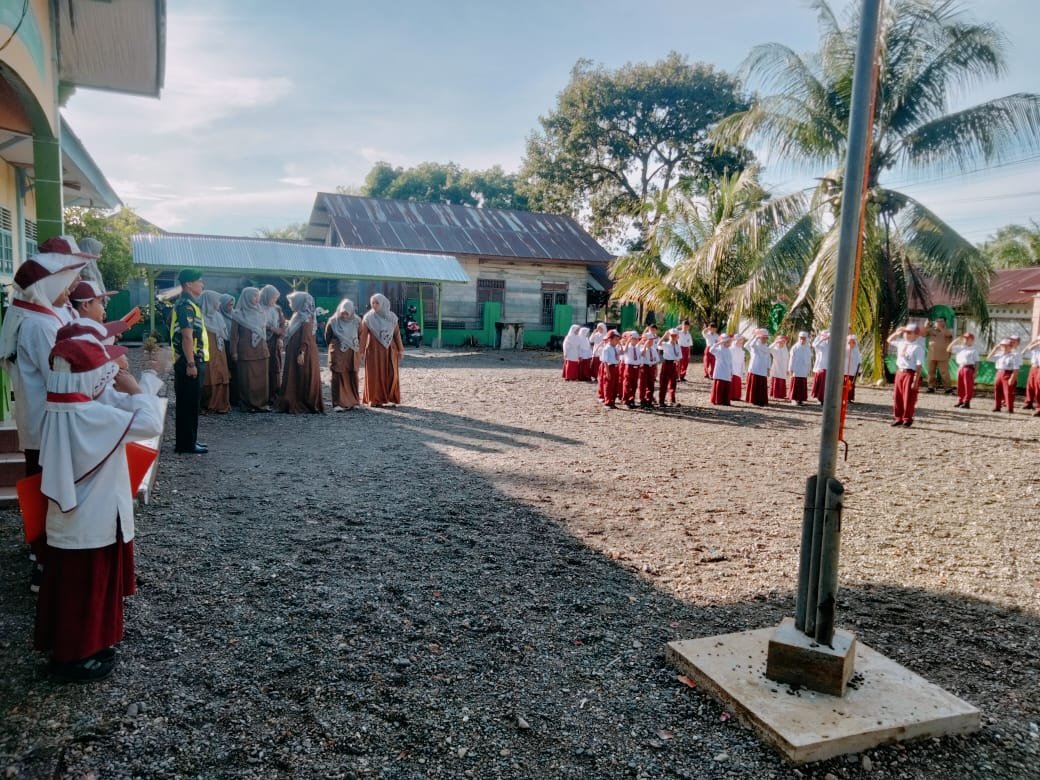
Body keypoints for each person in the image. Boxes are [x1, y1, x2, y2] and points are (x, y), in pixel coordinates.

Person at [35, 332, 163, 681]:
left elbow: (107, 402)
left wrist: (134, 384)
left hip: (74, 518)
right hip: (93, 516)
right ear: (86, 377)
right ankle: (73, 658)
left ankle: (79, 648)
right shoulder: (89, 414)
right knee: (86, 591)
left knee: (72, 588)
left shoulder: (64, 406)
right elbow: (150, 422)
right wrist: (135, 387)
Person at [169, 269, 208, 453]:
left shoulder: (190, 304)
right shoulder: (186, 306)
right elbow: (187, 336)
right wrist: (191, 363)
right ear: (188, 284)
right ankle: (186, 444)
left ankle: (189, 441)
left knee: (191, 404)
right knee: (188, 404)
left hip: (190, 360)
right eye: (199, 281)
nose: (202, 284)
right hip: (188, 362)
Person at [278, 291, 324, 414]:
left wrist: (301, 352)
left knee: (302, 374)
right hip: (295, 350)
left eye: (292, 302)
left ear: (300, 302)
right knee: (294, 374)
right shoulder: (298, 315)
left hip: (303, 351)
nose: (290, 304)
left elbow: (306, 336)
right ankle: (292, 399)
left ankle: (301, 401)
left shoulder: (306, 317)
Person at [229, 287, 271, 412]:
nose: (257, 298)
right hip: (246, 351)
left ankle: (261, 404)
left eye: (258, 296)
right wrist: (234, 352)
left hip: (261, 350)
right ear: (246, 297)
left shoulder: (261, 312)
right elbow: (234, 336)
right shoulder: (238, 314)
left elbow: (264, 333)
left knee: (262, 379)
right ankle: (248, 405)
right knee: (247, 379)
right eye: (254, 296)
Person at [360, 293, 403, 407]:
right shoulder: (368, 318)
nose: (374, 305)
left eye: (377, 303)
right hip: (374, 351)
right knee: (375, 374)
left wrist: (401, 350)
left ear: (383, 303)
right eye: (372, 303)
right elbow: (363, 336)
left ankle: (389, 397)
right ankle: (375, 399)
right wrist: (361, 352)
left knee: (391, 373)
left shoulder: (392, 317)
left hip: (390, 350)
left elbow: (397, 334)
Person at [325, 299, 362, 411]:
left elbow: (360, 335)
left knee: (352, 376)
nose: (345, 316)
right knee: (338, 376)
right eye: (343, 313)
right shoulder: (333, 321)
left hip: (352, 352)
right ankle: (338, 403)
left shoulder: (357, 321)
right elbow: (328, 336)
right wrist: (336, 346)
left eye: (347, 313)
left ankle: (354, 401)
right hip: (338, 352)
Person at [198, 290, 231, 414]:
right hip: (207, 351)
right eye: (216, 301)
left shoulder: (218, 316)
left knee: (221, 374)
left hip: (219, 350)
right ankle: (207, 404)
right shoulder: (200, 317)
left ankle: (220, 403)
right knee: (208, 375)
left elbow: (223, 333)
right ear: (209, 302)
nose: (218, 303)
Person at [887, 323, 924, 427]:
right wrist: (897, 332)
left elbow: (919, 365)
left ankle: (907, 418)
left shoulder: (917, 347)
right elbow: (889, 340)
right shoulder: (902, 343)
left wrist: (915, 380)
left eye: (909, 333)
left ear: (916, 335)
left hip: (910, 373)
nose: (906, 334)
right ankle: (898, 417)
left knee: (908, 397)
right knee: (897, 396)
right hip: (900, 372)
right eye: (906, 332)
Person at [260, 285, 285, 406]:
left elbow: (282, 325)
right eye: (272, 298)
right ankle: (262, 396)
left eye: (276, 298)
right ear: (266, 297)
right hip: (260, 341)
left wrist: (280, 336)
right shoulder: (257, 308)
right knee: (262, 369)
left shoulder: (277, 309)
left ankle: (274, 396)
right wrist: (269, 328)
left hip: (274, 342)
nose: (274, 301)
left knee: (275, 368)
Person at [948, 332, 979, 409]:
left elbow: (977, 362)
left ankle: (967, 402)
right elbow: (948, 349)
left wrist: (975, 372)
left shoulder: (973, 350)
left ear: (972, 340)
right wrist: (955, 341)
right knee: (960, 385)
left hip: (968, 368)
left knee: (968, 386)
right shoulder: (960, 347)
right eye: (965, 338)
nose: (966, 340)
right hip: (960, 367)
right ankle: (961, 400)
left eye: (968, 338)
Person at [988, 338, 1019, 414]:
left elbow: (1016, 369)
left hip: (1008, 374)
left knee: (1008, 392)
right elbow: (989, 358)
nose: (1004, 348)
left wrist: (1012, 378)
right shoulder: (999, 355)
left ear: (1011, 347)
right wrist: (995, 348)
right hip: (999, 373)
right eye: (1003, 346)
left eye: (1006, 346)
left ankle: (1010, 408)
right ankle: (997, 406)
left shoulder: (1013, 356)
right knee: (997, 390)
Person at [924, 319, 954, 393]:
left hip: (943, 356)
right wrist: (925, 325)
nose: (939, 322)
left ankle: (948, 388)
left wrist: (940, 327)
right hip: (931, 355)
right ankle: (931, 387)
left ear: (944, 323)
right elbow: (923, 334)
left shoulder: (948, 331)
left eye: (941, 321)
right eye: (937, 321)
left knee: (944, 373)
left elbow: (948, 335)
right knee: (931, 372)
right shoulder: (931, 330)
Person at [219, 293, 238, 407]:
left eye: (232, 303)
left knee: (235, 372)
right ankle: (223, 398)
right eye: (228, 304)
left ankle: (234, 398)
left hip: (235, 345)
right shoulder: (218, 316)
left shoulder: (236, 315)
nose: (230, 306)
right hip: (223, 345)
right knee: (224, 371)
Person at [658, 328, 682, 406]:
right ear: (669, 336)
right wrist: (664, 335)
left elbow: (679, 357)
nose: (673, 337)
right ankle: (661, 401)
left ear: (677, 337)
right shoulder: (666, 344)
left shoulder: (678, 346)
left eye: (675, 336)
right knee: (664, 382)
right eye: (672, 336)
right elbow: (658, 344)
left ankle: (672, 400)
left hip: (673, 364)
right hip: (666, 364)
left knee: (673, 383)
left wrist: (677, 368)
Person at [709, 333, 733, 406]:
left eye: (730, 342)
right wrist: (718, 343)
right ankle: (717, 400)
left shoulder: (729, 351)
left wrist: (731, 371)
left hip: (727, 371)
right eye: (727, 342)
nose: (729, 343)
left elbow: (730, 362)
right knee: (720, 385)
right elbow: (711, 350)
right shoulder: (719, 350)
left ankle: (725, 400)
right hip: (720, 371)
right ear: (724, 342)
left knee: (726, 385)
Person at [599, 329, 621, 408]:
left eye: (618, 339)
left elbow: (620, 354)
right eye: (616, 339)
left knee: (615, 385)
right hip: (609, 367)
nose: (617, 341)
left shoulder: (615, 348)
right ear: (610, 339)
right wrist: (607, 372)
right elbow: (605, 361)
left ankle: (613, 401)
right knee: (608, 385)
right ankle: (608, 402)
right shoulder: (606, 348)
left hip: (615, 367)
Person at [788, 331, 812, 406]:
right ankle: (794, 399)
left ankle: (800, 399)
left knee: (802, 385)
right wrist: (790, 368)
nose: (802, 340)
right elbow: (791, 359)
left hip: (804, 370)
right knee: (795, 384)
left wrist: (809, 369)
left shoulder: (808, 348)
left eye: (804, 338)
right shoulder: (795, 347)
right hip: (796, 369)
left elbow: (809, 360)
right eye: (801, 338)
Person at [811, 330, 830, 403]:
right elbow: (814, 345)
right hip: (821, 366)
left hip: (828, 367)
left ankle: (824, 398)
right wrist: (821, 338)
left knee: (825, 384)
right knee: (820, 383)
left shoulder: (830, 344)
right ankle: (818, 397)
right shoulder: (819, 344)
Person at [1022, 335, 1040, 414]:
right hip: (1033, 367)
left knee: (1038, 386)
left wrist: (1035, 344)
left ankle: (1039, 407)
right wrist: (1032, 343)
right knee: (1030, 385)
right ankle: (1028, 403)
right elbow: (1026, 349)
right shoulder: (1035, 348)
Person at [769, 335, 790, 400]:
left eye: (783, 341)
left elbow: (787, 359)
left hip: (783, 367)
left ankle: (781, 394)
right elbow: (768, 349)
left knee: (782, 380)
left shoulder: (785, 348)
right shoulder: (774, 348)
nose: (782, 342)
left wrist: (787, 368)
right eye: (781, 341)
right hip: (776, 367)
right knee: (776, 380)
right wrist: (776, 342)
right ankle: (774, 393)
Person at [730, 335, 747, 403]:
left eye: (742, 342)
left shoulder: (742, 351)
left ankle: (737, 396)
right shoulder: (730, 349)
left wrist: (743, 370)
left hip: (739, 368)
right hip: (732, 368)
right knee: (732, 382)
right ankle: (731, 395)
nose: (741, 343)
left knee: (737, 382)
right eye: (740, 341)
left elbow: (742, 361)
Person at [845, 334, 861, 402]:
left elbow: (859, 361)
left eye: (853, 342)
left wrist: (859, 370)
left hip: (853, 371)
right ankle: (844, 397)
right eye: (850, 342)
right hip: (845, 370)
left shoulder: (856, 351)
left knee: (851, 384)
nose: (852, 344)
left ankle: (849, 398)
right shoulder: (845, 350)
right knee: (845, 384)